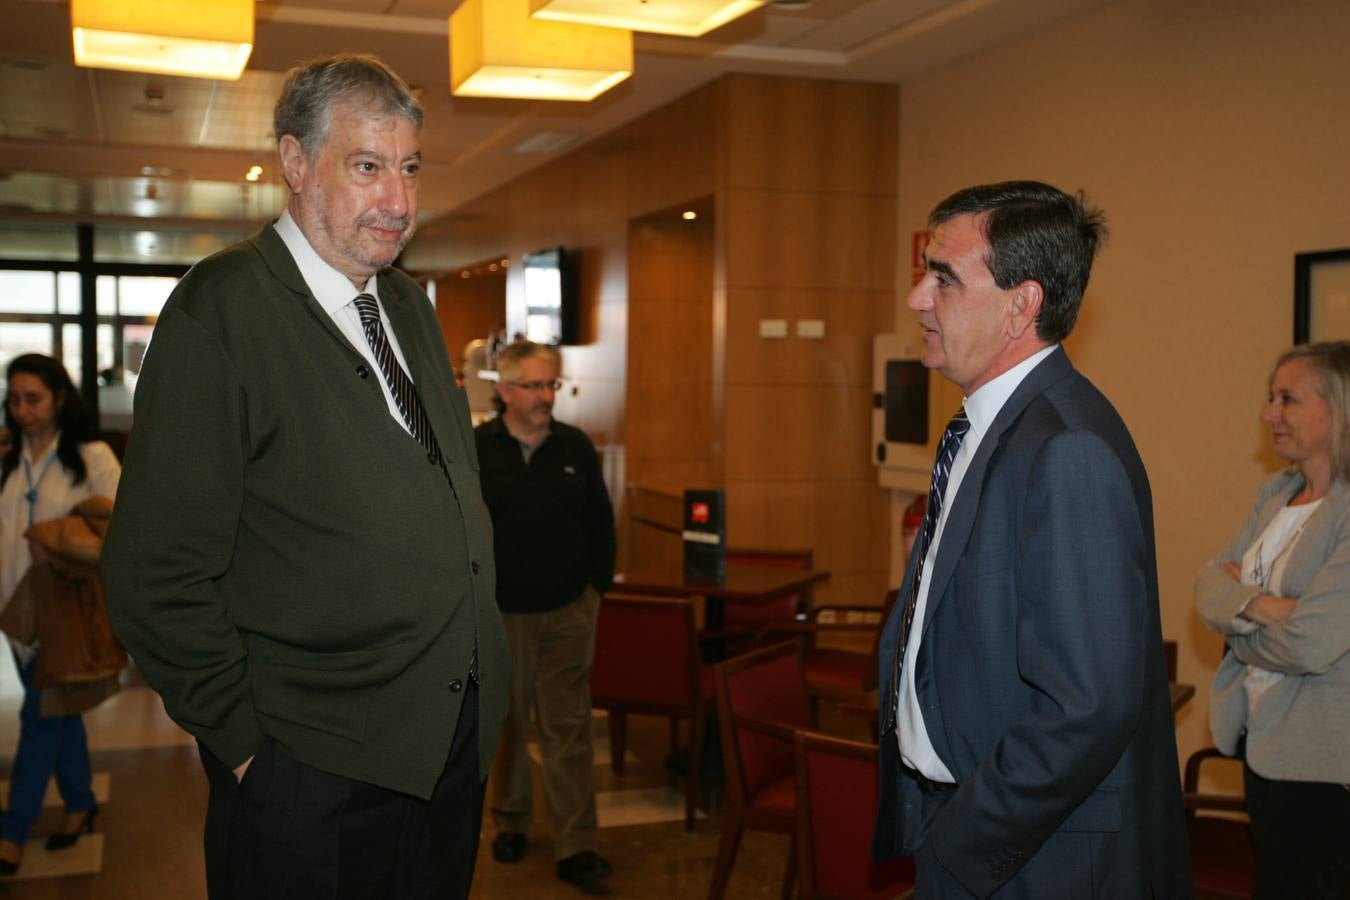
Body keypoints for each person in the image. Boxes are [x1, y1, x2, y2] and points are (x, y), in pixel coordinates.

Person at [101, 54, 510, 900]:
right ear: (294, 163)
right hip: (311, 768)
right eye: (367, 167)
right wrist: (250, 749)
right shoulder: (222, 311)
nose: (398, 202)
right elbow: (154, 575)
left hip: (444, 747)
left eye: (408, 169)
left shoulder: (404, 305)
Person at [871, 181, 1191, 898]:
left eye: (943, 278)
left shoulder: (1067, 448)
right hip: (970, 826)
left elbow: (1087, 707)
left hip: (1032, 858)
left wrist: (965, 840)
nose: (919, 298)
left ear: (1023, 304)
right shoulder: (990, 428)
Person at [1195, 341, 1350, 899]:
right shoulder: (1276, 494)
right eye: (1270, 397)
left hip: (1322, 763)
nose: (1269, 414)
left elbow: (1313, 643)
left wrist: (1238, 626)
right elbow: (1208, 585)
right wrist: (1261, 605)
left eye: (1288, 398)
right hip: (1261, 740)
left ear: (1338, 408)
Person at [475, 340, 616, 888]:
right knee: (508, 723)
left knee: (567, 727)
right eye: (533, 386)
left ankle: (576, 845)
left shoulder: (575, 446)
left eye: (550, 385)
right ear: (504, 390)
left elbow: (601, 522)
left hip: (567, 611)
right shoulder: (478, 447)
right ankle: (509, 823)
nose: (544, 397)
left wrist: (594, 591)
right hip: (501, 612)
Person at [0, 354, 120, 874]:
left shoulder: (90, 456)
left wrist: (66, 546)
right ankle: (79, 803)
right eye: (14, 399)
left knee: (40, 719)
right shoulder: (10, 456)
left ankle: (12, 830)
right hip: (17, 611)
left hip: (66, 610)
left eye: (33, 398)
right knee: (58, 711)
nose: (22, 410)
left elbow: (118, 523)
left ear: (60, 399)